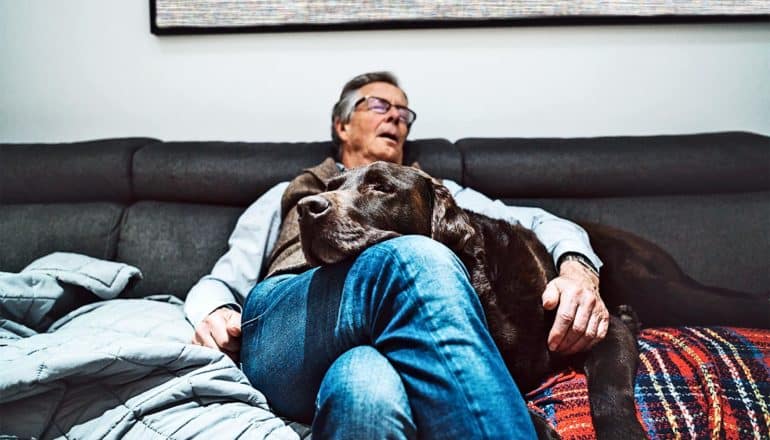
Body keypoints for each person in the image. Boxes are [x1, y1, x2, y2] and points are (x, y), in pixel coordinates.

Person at [185, 72, 608, 439]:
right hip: (293, 331)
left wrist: (578, 271)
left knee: (366, 387)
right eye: (378, 105)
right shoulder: (287, 194)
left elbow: (540, 222)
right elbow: (221, 281)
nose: (394, 117)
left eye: (403, 113)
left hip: (393, 340)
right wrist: (218, 311)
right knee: (414, 258)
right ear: (342, 126)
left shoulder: (437, 191)